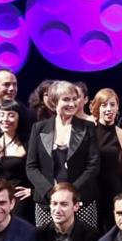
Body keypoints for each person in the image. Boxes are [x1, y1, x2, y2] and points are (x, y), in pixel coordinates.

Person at [27, 81, 101, 228]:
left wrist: (71, 195)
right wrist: (50, 193)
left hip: (80, 201)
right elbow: (31, 166)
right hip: (47, 202)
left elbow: (93, 165)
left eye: (75, 98)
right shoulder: (39, 128)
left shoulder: (88, 127)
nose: (72, 103)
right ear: (55, 102)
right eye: (66, 99)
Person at [0, 100, 34, 224]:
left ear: (19, 118)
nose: (5, 119)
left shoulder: (29, 144)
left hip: (17, 202)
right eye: (2, 114)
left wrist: (32, 191)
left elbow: (41, 170)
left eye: (11, 115)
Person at [90, 88, 122, 231]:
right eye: (104, 105)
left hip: (115, 189)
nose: (108, 109)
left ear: (117, 107)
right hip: (94, 190)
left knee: (114, 229)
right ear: (97, 108)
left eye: (112, 104)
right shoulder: (89, 131)